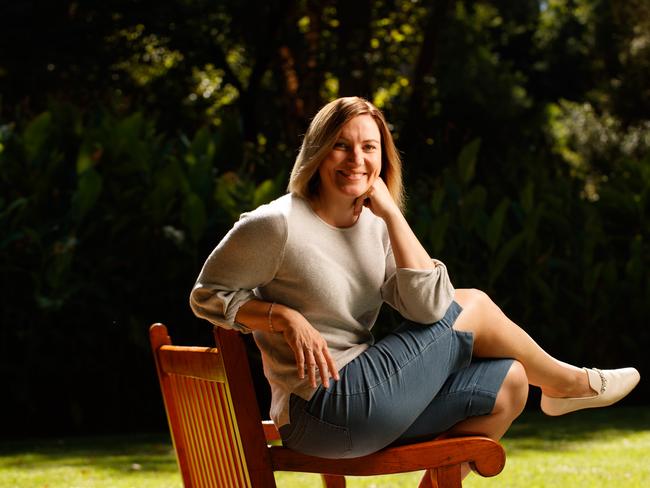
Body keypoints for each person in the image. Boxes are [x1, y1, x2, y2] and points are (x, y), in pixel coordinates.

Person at [190, 97, 639, 473]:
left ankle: (551, 389)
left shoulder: (375, 226)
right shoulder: (277, 224)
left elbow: (428, 308)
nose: (357, 160)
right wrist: (281, 316)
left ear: (384, 156)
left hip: (367, 407)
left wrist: (390, 214)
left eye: (369, 147)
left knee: (511, 382)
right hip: (322, 407)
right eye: (341, 146)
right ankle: (568, 384)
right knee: (475, 306)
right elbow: (206, 295)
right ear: (317, 152)